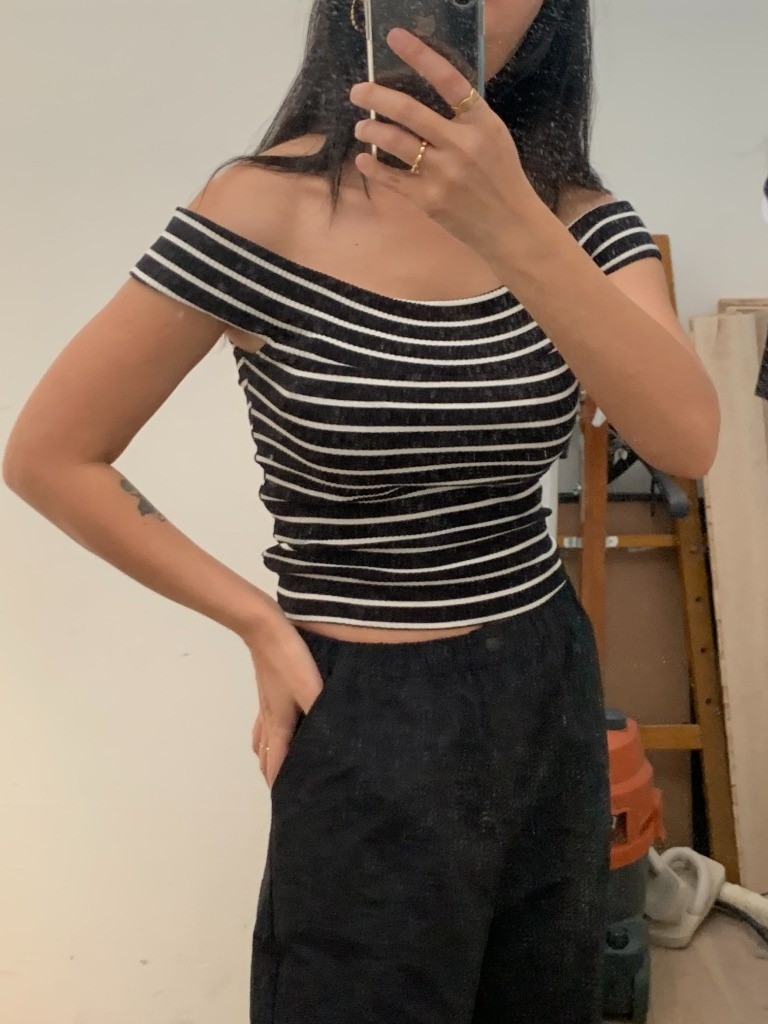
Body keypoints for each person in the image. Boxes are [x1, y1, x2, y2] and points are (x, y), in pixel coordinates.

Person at [2, 1, 719, 1021]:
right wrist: (258, 623)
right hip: (364, 707)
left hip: (544, 686)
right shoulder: (262, 207)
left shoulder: (579, 220)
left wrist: (512, 220)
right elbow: (50, 454)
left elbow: (688, 440)